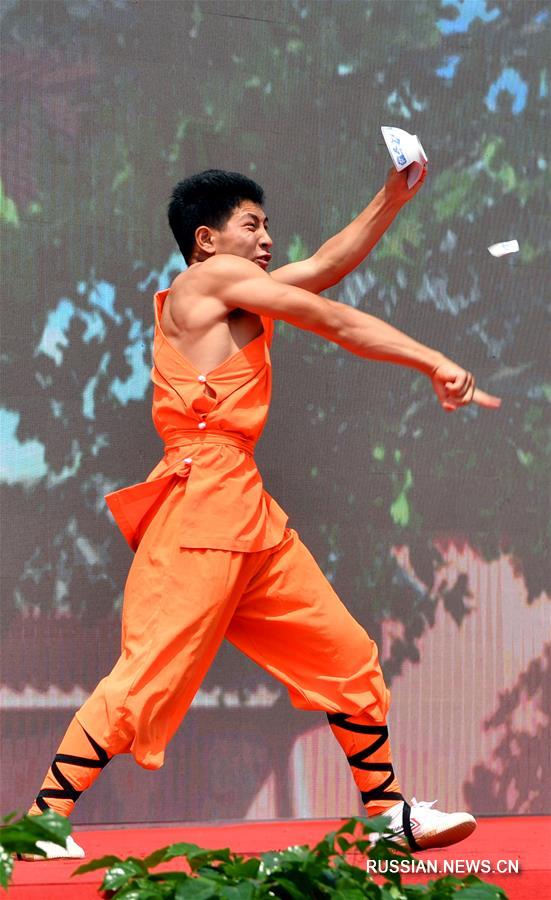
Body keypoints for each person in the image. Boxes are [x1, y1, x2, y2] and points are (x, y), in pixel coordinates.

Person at [26, 167, 500, 860]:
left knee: (345, 659)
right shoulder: (205, 281)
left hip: (247, 511)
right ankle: (41, 825)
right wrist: (431, 360)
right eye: (251, 225)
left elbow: (327, 266)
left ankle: (388, 818)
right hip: (200, 510)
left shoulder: (241, 290)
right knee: (146, 676)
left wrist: (391, 197)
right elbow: (332, 319)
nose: (268, 239)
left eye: (267, 226)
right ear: (205, 239)